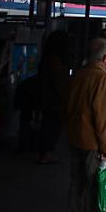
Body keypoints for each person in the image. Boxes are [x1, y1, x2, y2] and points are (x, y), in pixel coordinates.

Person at [64, 38, 106, 212]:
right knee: (94, 189)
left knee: (76, 188)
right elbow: (103, 117)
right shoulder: (102, 78)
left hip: (75, 139)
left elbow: (67, 107)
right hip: (93, 143)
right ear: (105, 57)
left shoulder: (78, 75)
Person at [37, 30, 71, 164]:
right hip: (54, 100)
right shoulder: (56, 61)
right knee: (52, 125)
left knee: (47, 124)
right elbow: (60, 82)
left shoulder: (46, 58)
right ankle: (46, 153)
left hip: (47, 97)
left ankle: (44, 153)